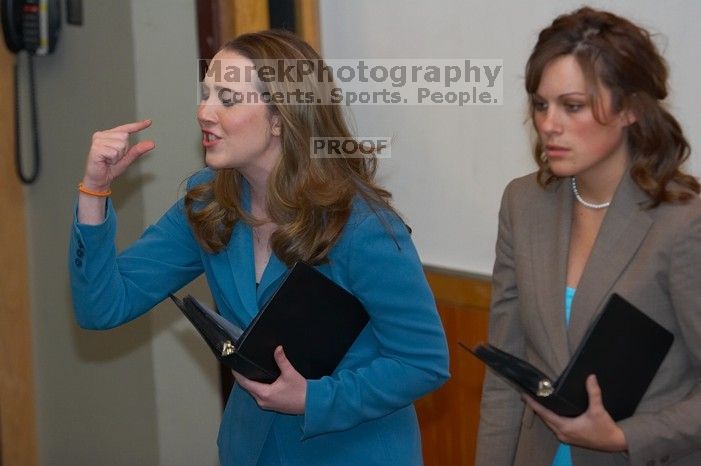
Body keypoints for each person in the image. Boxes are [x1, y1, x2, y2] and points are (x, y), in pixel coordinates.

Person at [69, 30, 449, 466]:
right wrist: (94, 190)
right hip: (248, 452)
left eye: (227, 99)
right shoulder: (208, 202)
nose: (204, 112)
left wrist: (314, 398)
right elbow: (102, 307)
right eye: (205, 93)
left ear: (279, 119)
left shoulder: (360, 225)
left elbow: (424, 363)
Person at [475, 7, 701, 466]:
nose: (549, 124)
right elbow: (504, 375)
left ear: (631, 109)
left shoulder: (682, 221)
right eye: (541, 105)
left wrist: (624, 436)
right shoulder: (523, 203)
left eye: (572, 106)